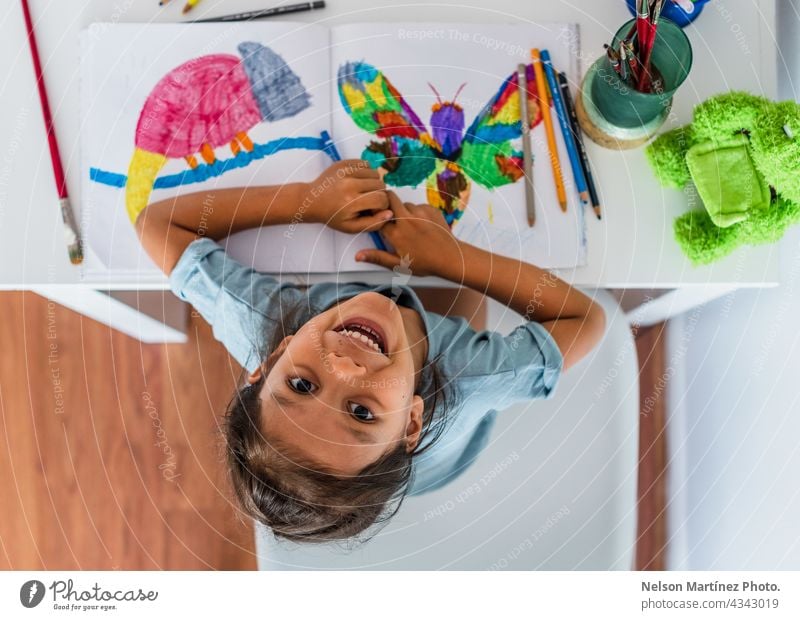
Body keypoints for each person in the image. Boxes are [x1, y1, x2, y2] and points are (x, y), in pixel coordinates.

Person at [135, 159, 605, 544]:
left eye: (302, 385)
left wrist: (306, 201)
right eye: (360, 412)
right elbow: (583, 321)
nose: (342, 368)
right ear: (413, 422)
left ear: (271, 359)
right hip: (439, 461)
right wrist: (452, 258)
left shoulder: (261, 321)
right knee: (462, 297)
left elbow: (156, 224)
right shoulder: (469, 376)